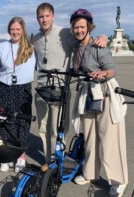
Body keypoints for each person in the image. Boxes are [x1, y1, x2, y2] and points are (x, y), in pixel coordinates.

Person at [32, 2, 108, 165]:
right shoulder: (35, 38)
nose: (44, 19)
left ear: (53, 16)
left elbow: (85, 38)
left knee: (58, 128)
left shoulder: (65, 33)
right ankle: (48, 159)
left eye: (47, 16)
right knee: (43, 128)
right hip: (41, 88)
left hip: (60, 87)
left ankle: (57, 158)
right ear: (37, 18)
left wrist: (103, 37)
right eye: (41, 16)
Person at [69, 9, 128, 197]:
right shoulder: (76, 48)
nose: (79, 30)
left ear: (89, 28)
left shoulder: (98, 46)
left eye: (82, 27)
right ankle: (90, 173)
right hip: (87, 94)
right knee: (90, 138)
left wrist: (103, 73)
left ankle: (119, 181)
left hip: (104, 94)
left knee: (110, 139)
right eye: (76, 27)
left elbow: (112, 70)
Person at [0, 17, 36, 172]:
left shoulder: (31, 48)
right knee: (4, 121)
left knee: (22, 123)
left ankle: (20, 156)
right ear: (9, 30)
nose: (15, 32)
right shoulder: (1, 47)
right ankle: (7, 156)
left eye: (18, 29)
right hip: (6, 88)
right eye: (12, 29)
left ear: (22, 30)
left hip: (23, 89)